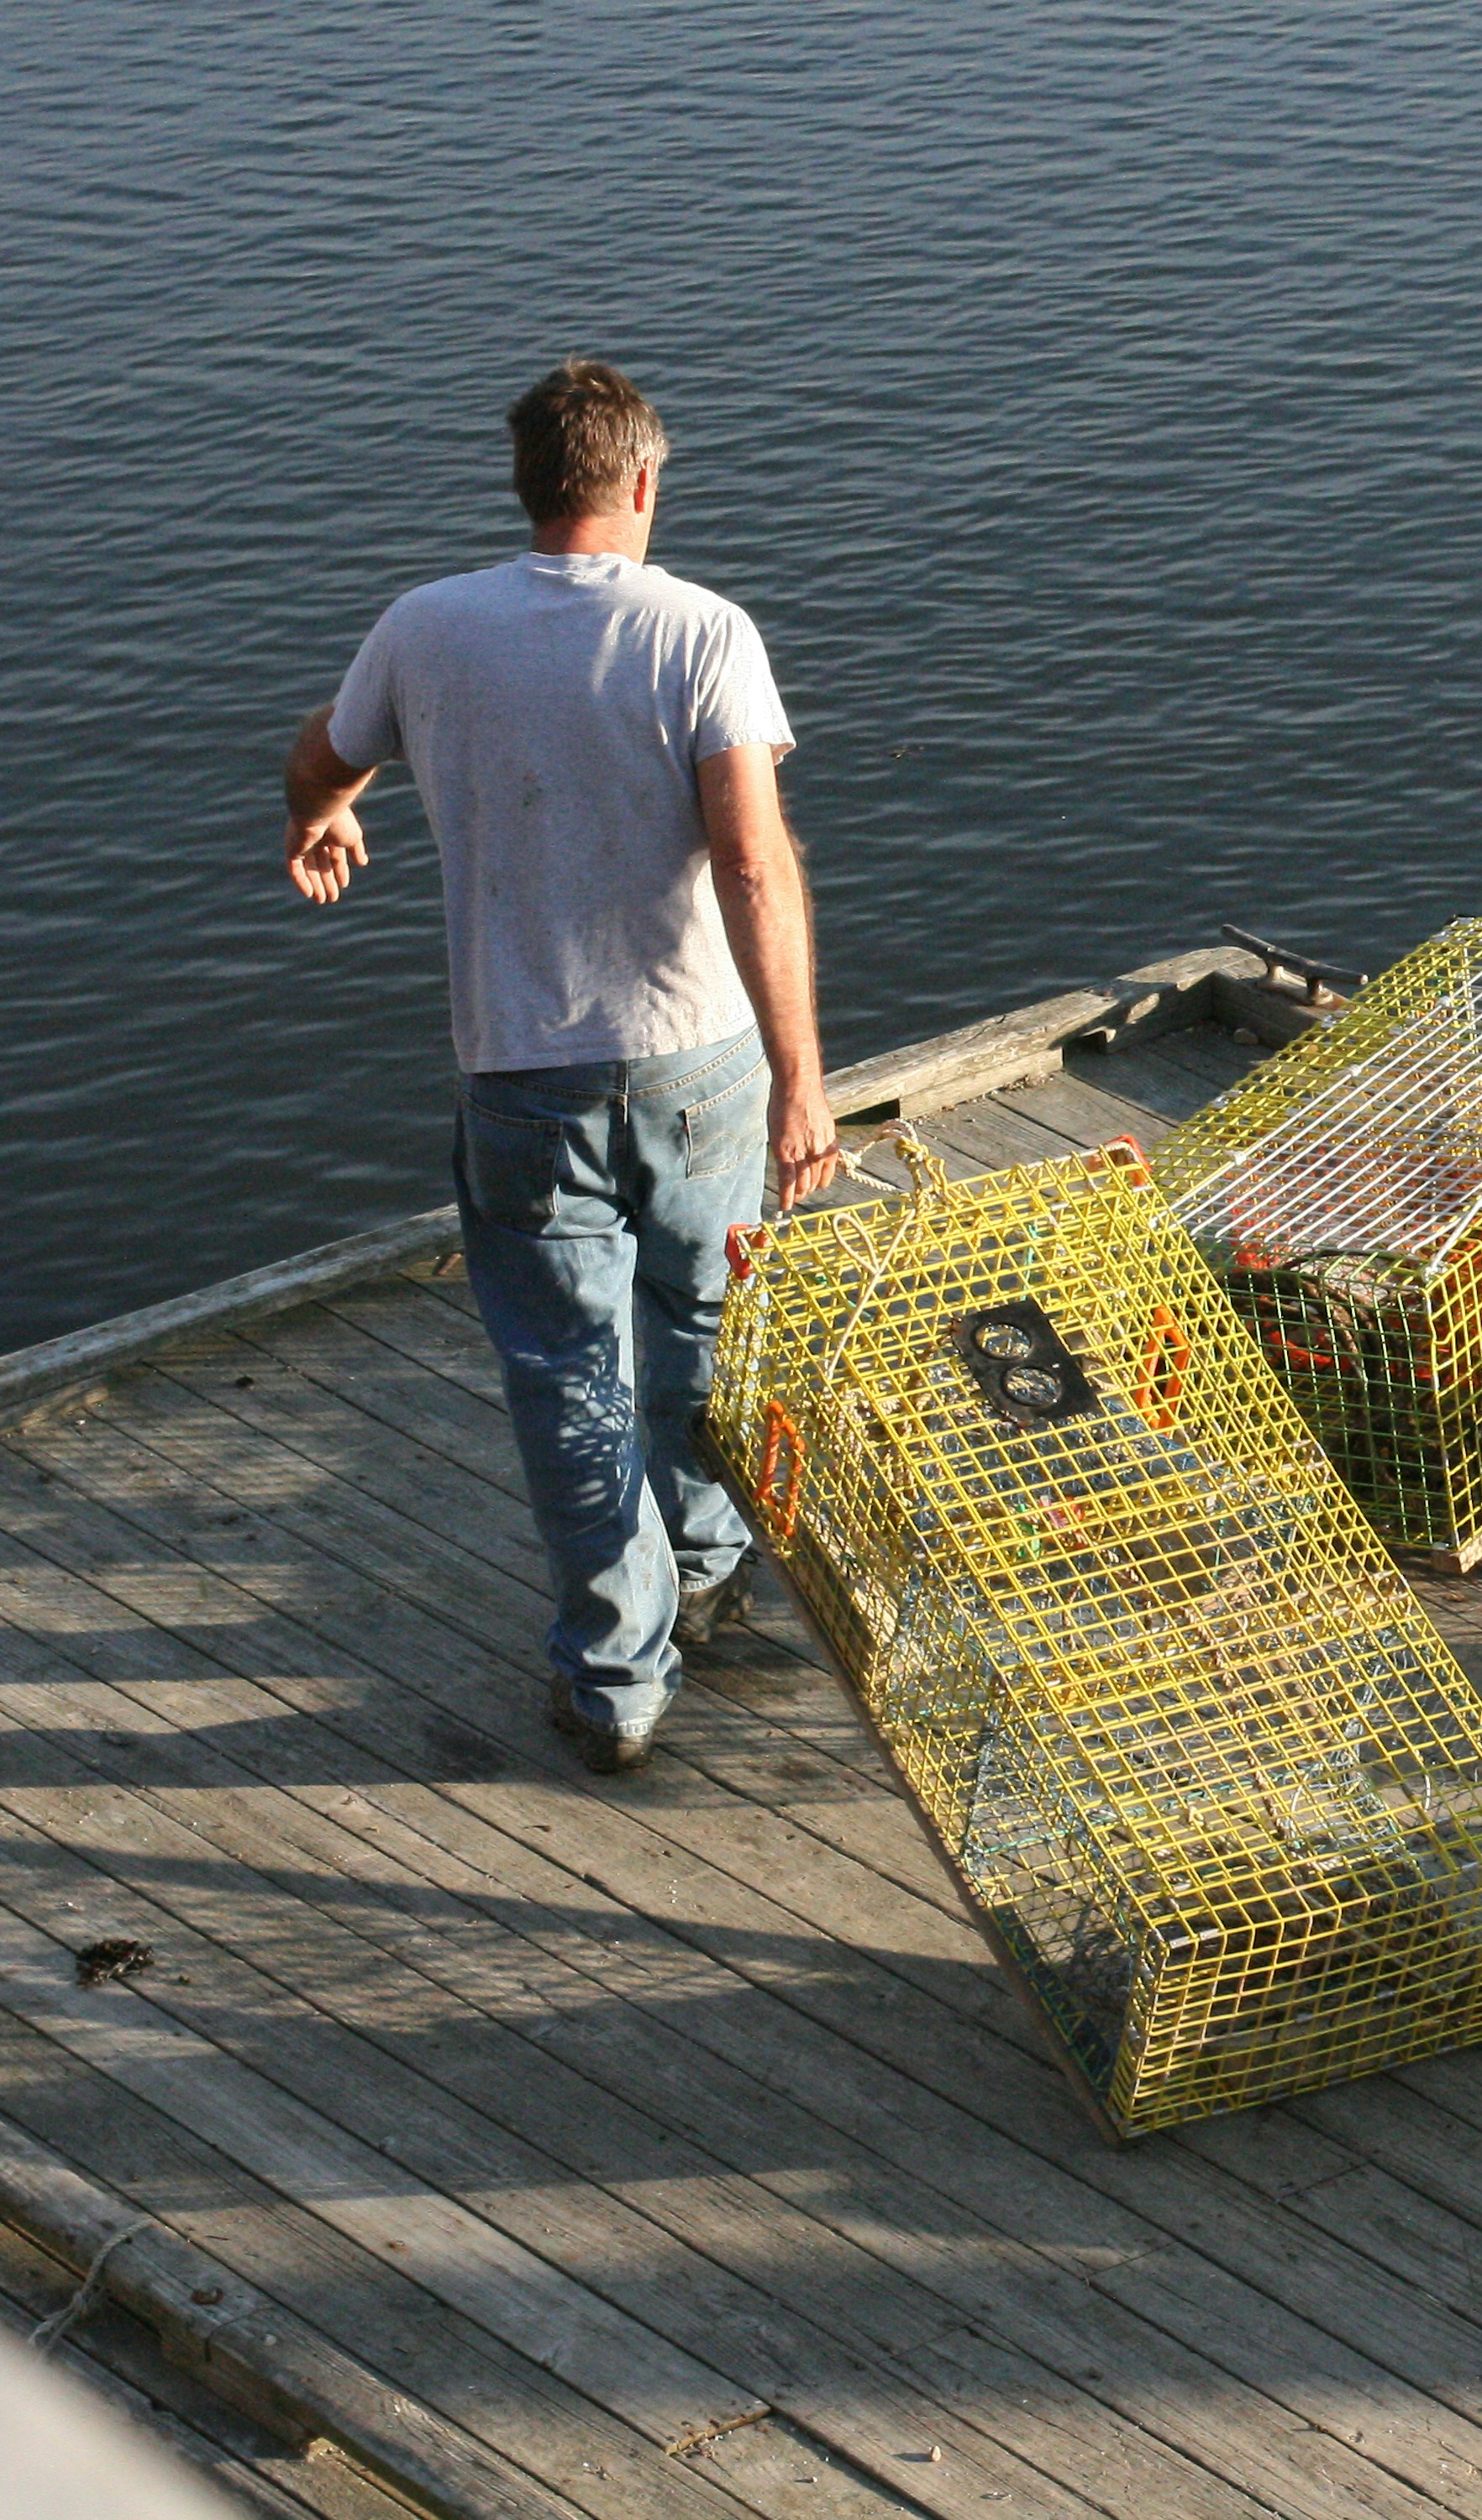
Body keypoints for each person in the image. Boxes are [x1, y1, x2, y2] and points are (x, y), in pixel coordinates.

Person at [276, 358, 847, 1774]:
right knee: (706, 1332)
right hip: (697, 1065)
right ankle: (707, 1574)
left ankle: (616, 1679)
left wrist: (332, 818)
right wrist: (803, 1079)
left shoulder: (426, 629)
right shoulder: (703, 632)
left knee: (567, 1377)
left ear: (531, 485)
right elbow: (755, 866)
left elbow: (316, 761)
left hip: (523, 1078)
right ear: (645, 482)